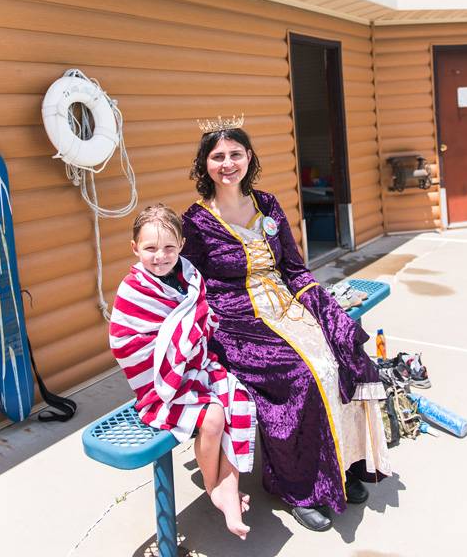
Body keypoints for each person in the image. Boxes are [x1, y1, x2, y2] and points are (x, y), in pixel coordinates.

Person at [182, 119, 391, 532]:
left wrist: (323, 306)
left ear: (249, 158)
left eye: (236, 154)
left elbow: (294, 267)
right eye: (218, 156)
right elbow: (189, 282)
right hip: (236, 323)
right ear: (205, 165)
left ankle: (341, 466)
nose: (228, 163)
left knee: (337, 358)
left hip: (284, 307)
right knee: (300, 375)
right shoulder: (196, 221)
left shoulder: (267, 204)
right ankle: (300, 487)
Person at [109, 204, 256, 540]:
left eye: (168, 247)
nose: (160, 256)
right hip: (160, 385)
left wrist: (192, 337)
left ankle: (228, 484)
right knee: (214, 417)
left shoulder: (189, 276)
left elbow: (199, 317)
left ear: (182, 246)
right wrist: (181, 344)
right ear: (135, 248)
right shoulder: (133, 290)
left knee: (238, 398)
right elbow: (125, 343)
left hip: (195, 367)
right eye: (150, 248)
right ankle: (213, 487)